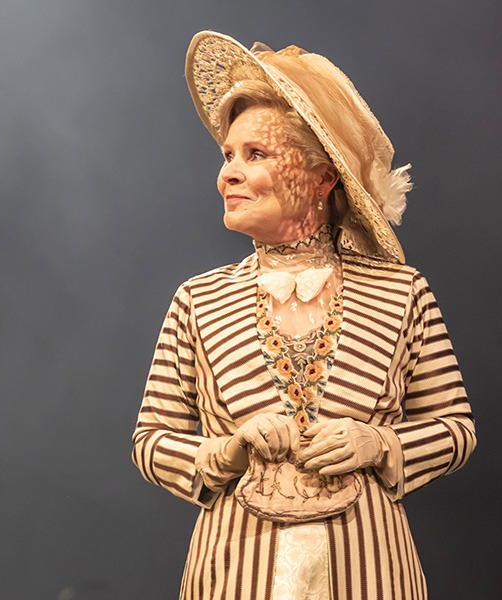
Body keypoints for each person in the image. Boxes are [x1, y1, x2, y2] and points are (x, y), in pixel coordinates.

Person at [132, 31, 476, 600]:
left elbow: (457, 429)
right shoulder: (197, 300)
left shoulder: (401, 292)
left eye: (256, 154)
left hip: (369, 569)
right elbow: (151, 440)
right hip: (234, 570)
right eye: (227, 156)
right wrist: (226, 449)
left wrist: (377, 444)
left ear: (322, 178)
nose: (228, 174)